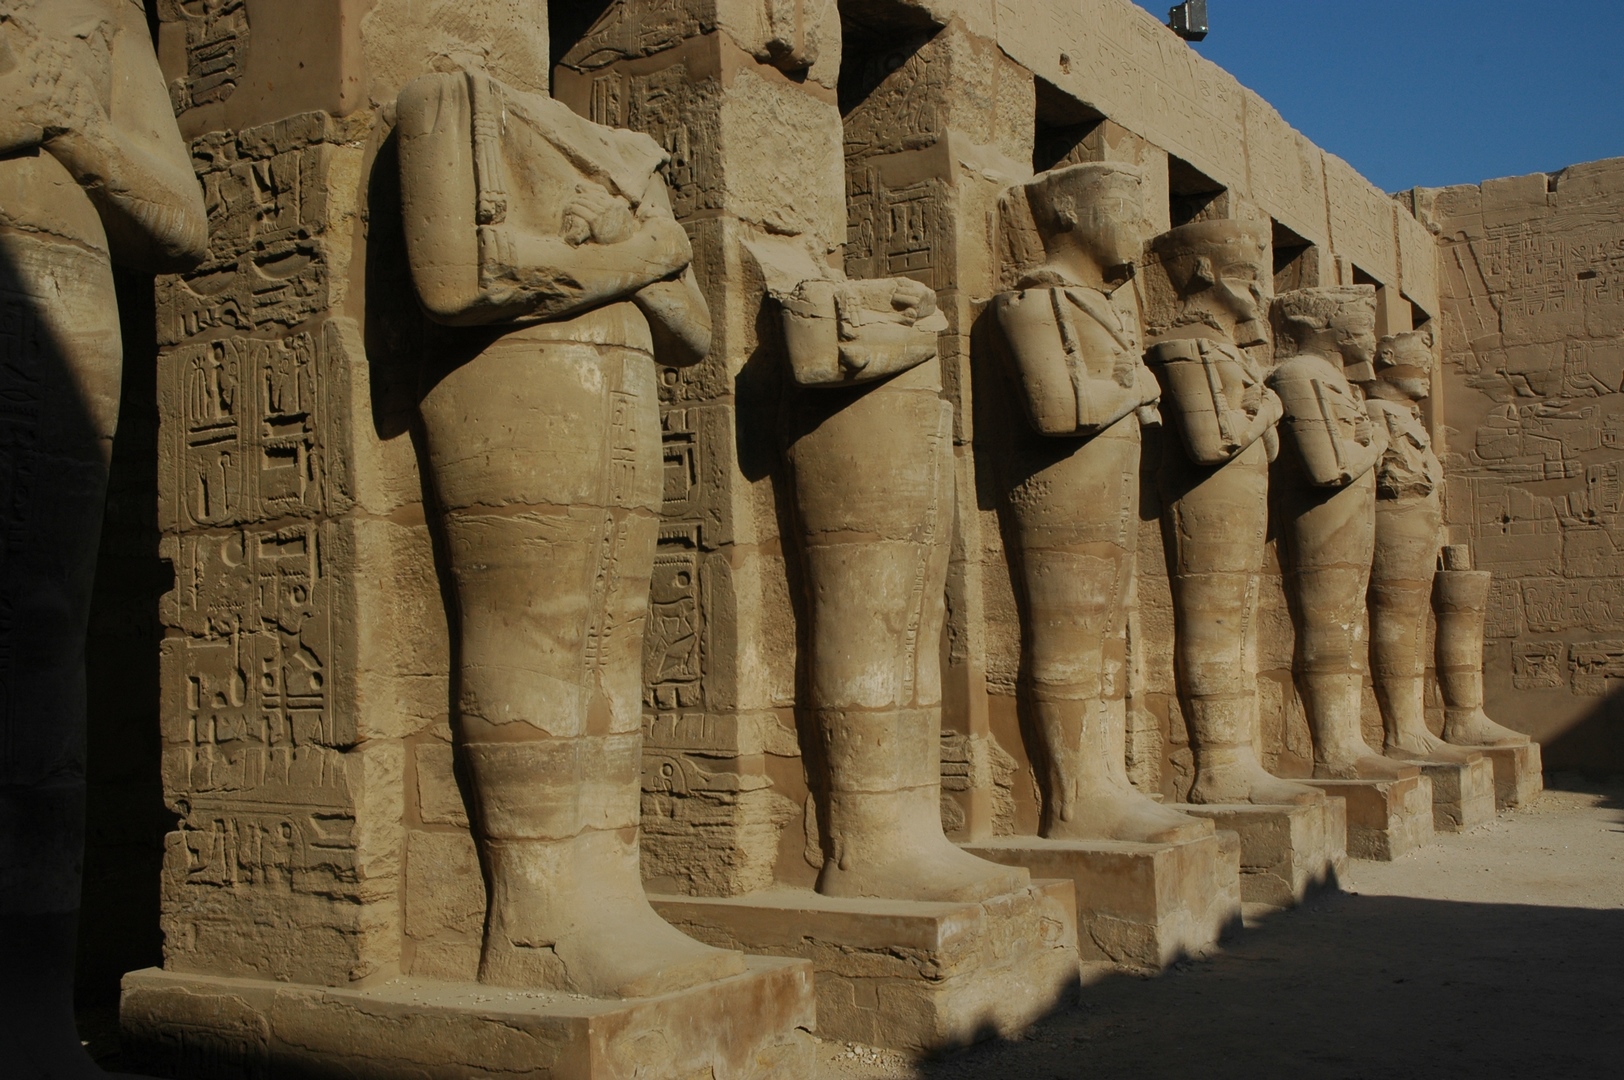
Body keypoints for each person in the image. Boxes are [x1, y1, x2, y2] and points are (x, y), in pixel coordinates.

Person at [396, 66, 744, 996]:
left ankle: (611, 893)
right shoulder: (453, 103)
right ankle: (535, 919)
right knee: (534, 633)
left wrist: (617, 251)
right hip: (515, 384)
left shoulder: (626, 156)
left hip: (622, 389)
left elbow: (692, 328)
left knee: (613, 646)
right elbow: (457, 282)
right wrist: (646, 251)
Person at [0, 2, 207, 1075]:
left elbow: (181, 219)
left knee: (38, 647)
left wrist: (71, 130)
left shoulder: (98, 15)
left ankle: (27, 1006)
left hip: (58, 298)